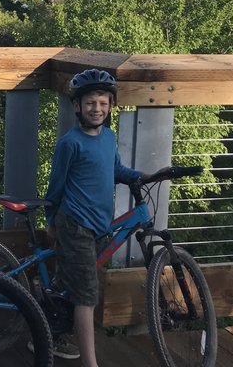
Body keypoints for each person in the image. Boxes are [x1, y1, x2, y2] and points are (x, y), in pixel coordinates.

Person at [43, 68, 146, 366]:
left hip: (98, 225)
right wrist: (52, 221)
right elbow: (56, 186)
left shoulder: (109, 137)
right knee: (87, 296)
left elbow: (116, 171)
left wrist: (144, 176)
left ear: (111, 105)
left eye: (102, 102)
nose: (96, 108)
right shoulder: (70, 143)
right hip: (75, 224)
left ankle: (46, 331)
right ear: (77, 106)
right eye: (90, 102)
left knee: (70, 283)